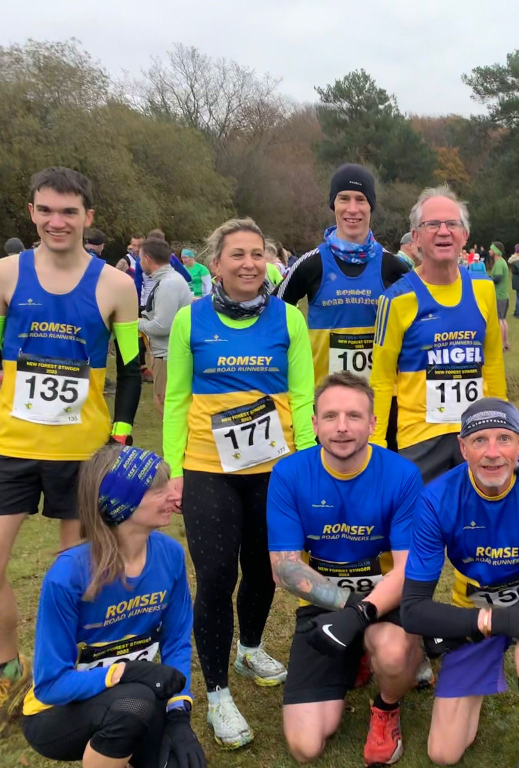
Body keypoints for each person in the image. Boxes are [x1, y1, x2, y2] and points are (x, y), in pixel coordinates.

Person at [163, 216, 316, 748]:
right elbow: (176, 399)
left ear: (268, 260)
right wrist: (175, 471)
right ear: (217, 262)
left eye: (257, 253)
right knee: (215, 579)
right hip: (209, 470)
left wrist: (307, 461)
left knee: (264, 570)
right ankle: (219, 696)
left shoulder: (289, 320)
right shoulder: (190, 320)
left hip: (274, 470)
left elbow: (302, 396)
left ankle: (250, 648)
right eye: (237, 254)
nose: (249, 263)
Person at [0, 167, 142, 726]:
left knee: (72, 573)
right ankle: (10, 669)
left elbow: (131, 369)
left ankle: (60, 672)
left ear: (88, 216)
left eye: (68, 211)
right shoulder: (7, 275)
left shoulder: (115, 285)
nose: (57, 221)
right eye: (46, 210)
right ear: (32, 213)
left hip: (80, 452)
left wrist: (123, 431)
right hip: (12, 444)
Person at [400, 398, 519, 767]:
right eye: (479, 440)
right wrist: (489, 622)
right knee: (443, 753)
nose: (493, 453)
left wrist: (505, 621)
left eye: (504, 439)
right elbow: (413, 610)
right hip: (475, 604)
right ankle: (476, 678)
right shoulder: (435, 498)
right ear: (463, 448)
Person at [269, 372, 423, 765]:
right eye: (331, 416)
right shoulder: (288, 473)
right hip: (327, 606)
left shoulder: (402, 474)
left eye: (354, 416)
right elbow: (284, 569)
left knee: (390, 652)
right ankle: (354, 654)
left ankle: (387, 706)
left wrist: (365, 612)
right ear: (315, 423)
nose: (341, 427)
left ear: (373, 424)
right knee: (306, 747)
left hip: (387, 604)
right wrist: (351, 608)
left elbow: (410, 570)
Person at [21, 444, 205, 768]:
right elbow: (50, 685)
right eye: (158, 490)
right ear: (121, 503)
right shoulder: (68, 575)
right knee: (135, 702)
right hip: (56, 712)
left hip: (136, 692)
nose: (174, 496)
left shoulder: (171, 556)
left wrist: (178, 713)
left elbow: (176, 643)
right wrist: (125, 673)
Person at [370, 186, 506, 483]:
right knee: (421, 525)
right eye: (432, 224)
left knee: (478, 523)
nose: (443, 231)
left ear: (465, 235)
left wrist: (503, 427)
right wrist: (376, 446)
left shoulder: (484, 290)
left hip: (476, 434)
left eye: (452, 224)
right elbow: (381, 379)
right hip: (419, 439)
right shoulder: (395, 300)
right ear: (416, 237)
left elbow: (493, 365)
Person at [276, 164, 410, 388]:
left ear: (371, 206)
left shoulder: (392, 266)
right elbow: (272, 313)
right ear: (333, 205)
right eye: (344, 199)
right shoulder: (311, 264)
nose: (352, 208)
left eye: (361, 199)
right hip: (325, 399)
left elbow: (421, 324)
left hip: (380, 400)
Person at [138, 237, 192, 415]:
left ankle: (176, 443)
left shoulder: (169, 283)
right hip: (166, 354)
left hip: (169, 356)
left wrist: (136, 323)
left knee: (166, 407)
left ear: (147, 258)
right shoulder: (169, 280)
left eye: (140, 257)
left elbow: (162, 326)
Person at [487, 242, 510, 351]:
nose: (489, 251)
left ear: (496, 251)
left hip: (499, 295)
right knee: (503, 319)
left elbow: (497, 278)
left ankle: (500, 344)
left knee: (499, 320)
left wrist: (487, 279)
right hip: (503, 295)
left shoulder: (500, 263)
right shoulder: (501, 262)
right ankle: (506, 343)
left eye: (491, 249)